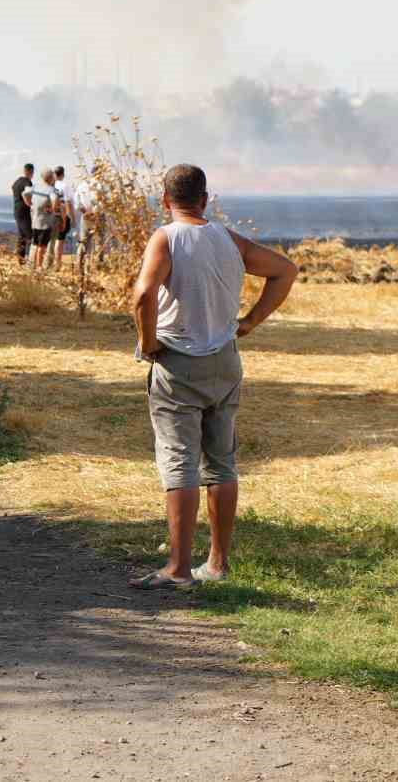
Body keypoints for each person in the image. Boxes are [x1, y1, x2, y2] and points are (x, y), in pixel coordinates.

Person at [128, 164, 298, 589]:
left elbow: (144, 294)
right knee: (221, 462)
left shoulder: (165, 237)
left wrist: (148, 342)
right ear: (205, 199)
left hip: (178, 362)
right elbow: (285, 270)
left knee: (180, 462)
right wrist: (250, 322)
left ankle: (178, 569)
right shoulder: (227, 238)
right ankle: (218, 564)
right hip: (225, 360)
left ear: (166, 201)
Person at [25, 170, 57, 269]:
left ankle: (31, 265)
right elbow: (54, 199)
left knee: (34, 244)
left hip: (35, 221)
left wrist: (29, 203)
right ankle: (39, 267)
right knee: (42, 246)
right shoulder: (51, 190)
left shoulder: (35, 187)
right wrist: (53, 209)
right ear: (51, 178)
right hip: (45, 223)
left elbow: (24, 193)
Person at [74, 175, 102, 271]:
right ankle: (98, 267)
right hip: (98, 216)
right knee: (99, 242)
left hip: (85, 216)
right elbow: (102, 202)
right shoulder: (100, 184)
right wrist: (94, 212)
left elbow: (77, 203)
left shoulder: (82, 185)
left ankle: (79, 263)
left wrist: (85, 212)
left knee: (83, 241)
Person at [10, 163, 36, 264]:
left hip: (16, 209)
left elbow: (13, 187)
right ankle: (30, 260)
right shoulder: (27, 182)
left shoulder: (17, 181)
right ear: (31, 172)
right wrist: (31, 203)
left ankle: (20, 259)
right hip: (24, 210)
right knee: (30, 236)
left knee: (21, 235)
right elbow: (28, 193)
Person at [49, 165, 71, 270]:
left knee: (51, 240)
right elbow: (67, 202)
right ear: (63, 174)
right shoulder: (64, 186)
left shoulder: (50, 185)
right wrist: (69, 218)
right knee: (60, 240)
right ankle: (57, 264)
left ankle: (49, 262)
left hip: (50, 215)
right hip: (61, 214)